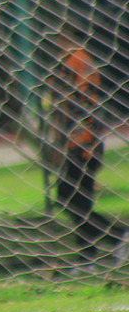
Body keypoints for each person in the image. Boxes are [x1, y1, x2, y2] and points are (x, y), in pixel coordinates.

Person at [46, 32, 119, 264]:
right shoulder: (69, 61)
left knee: (70, 197)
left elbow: (82, 101)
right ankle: (88, 254)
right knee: (75, 200)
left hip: (84, 143)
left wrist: (83, 141)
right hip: (77, 141)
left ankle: (116, 237)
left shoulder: (76, 60)